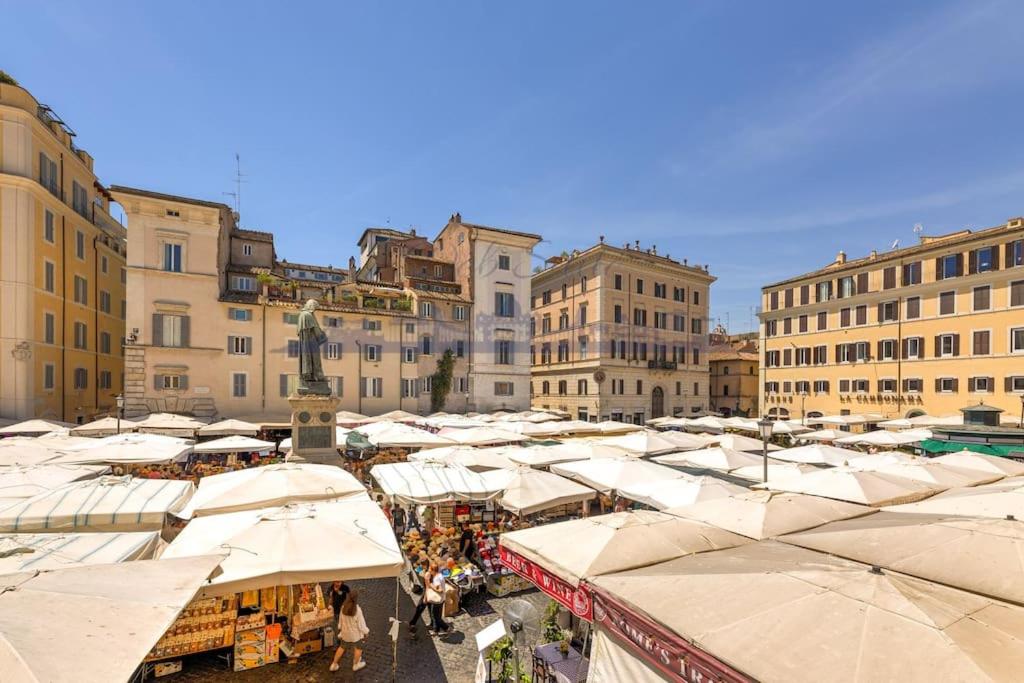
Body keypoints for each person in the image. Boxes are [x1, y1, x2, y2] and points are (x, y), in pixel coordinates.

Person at [330, 590, 369, 672]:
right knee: (359, 648)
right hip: (355, 635)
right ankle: (356, 664)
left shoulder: (343, 608)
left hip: (345, 634)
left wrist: (340, 628)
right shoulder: (357, 610)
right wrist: (366, 632)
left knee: (342, 647)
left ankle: (334, 664)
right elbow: (361, 625)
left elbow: (340, 621)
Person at [407, 560, 435, 635]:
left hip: (428, 594)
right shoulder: (427, 570)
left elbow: (428, 587)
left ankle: (413, 623)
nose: (421, 566)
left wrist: (425, 597)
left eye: (422, 565)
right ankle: (432, 624)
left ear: (425, 565)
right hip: (428, 593)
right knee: (429, 609)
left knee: (420, 608)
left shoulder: (428, 574)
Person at [427, 563, 451, 634]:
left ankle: (446, 627)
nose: (429, 571)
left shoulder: (436, 579)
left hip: (437, 600)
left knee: (435, 616)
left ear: (433, 570)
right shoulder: (440, 575)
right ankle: (436, 630)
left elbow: (440, 590)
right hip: (442, 599)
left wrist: (431, 586)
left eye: (430, 569)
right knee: (437, 615)